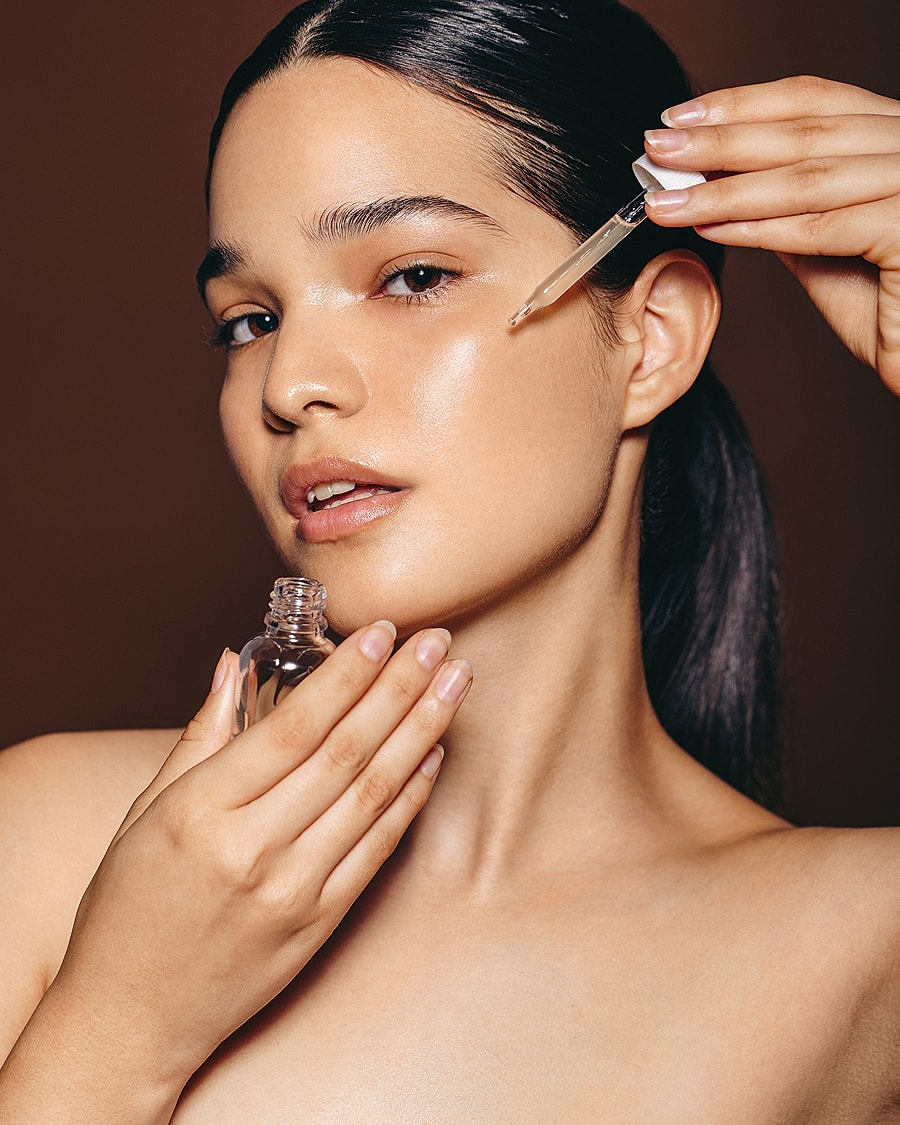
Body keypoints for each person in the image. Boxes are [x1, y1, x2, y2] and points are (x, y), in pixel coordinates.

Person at [1, 0, 898, 1119]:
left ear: (651, 340)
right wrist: (118, 1026)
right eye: (249, 320)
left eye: (413, 277)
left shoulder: (859, 953)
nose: (290, 385)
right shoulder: (53, 849)